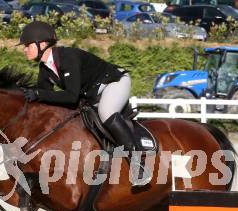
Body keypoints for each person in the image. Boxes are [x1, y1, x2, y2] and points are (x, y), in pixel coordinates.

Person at [18, 21, 152, 186]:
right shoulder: (45, 68)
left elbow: (71, 96)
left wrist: (38, 93)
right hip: (91, 93)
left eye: (27, 45)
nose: (24, 49)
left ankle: (138, 164)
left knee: (106, 111)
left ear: (42, 44)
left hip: (113, 83)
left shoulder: (68, 58)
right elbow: (45, 97)